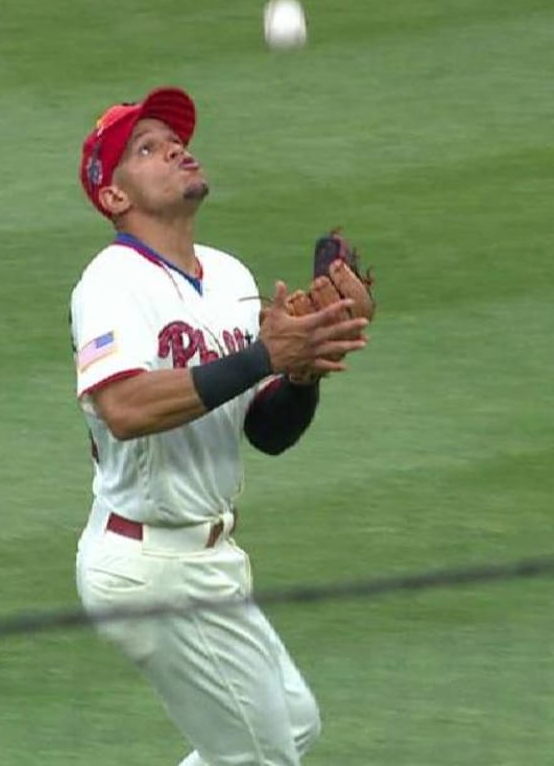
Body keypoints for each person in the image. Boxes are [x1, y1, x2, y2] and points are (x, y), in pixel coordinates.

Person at [68, 86, 371, 765]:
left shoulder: (230, 277)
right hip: (151, 565)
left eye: (172, 139)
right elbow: (125, 408)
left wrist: (305, 366)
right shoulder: (112, 282)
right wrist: (267, 353)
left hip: (207, 561)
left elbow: (265, 432)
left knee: (289, 728)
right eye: (147, 150)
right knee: (262, 759)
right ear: (115, 198)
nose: (176, 148)